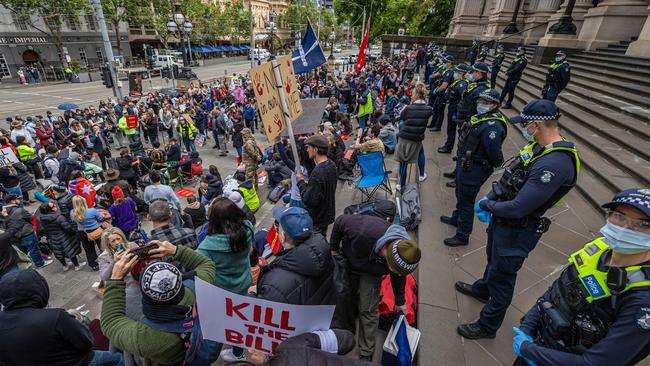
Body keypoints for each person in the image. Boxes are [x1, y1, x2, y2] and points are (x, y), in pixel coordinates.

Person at [457, 99, 581, 339]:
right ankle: (483, 288)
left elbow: (518, 208)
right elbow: (512, 175)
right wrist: (492, 198)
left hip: (517, 228)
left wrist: (488, 204)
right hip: (502, 220)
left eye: (526, 124)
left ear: (536, 125)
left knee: (503, 276)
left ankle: (487, 325)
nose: (523, 129)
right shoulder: (539, 147)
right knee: (493, 260)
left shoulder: (555, 163)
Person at [510, 188, 650, 366]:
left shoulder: (643, 298)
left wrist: (527, 349)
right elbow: (556, 290)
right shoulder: (597, 248)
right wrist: (528, 328)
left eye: (643, 224)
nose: (625, 228)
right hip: (539, 345)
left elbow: (596, 363)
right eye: (619, 216)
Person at [100, 240, 218, 365]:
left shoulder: (148, 339)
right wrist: (175, 250)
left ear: (144, 295)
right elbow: (206, 264)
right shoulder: (195, 288)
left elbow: (110, 322)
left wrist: (116, 277)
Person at [329, 214, 421, 361]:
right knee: (345, 298)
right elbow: (340, 221)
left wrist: (400, 300)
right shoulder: (363, 231)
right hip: (350, 261)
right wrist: (333, 248)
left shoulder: (404, 252)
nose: (397, 273)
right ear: (387, 252)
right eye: (395, 269)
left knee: (369, 309)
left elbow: (399, 276)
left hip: (372, 273)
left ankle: (366, 351)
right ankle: (345, 329)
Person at [0, 269, 124, 366]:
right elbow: (86, 343)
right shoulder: (55, 317)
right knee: (121, 359)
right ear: (39, 289)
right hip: (78, 362)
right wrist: (75, 323)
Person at [441, 89, 508, 247]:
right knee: (460, 193)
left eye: (485, 103)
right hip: (466, 164)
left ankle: (463, 235)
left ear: (493, 105)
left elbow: (494, 152)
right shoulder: (482, 118)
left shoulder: (493, 125)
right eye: (480, 101)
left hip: (475, 168)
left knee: (466, 200)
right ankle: (457, 219)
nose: (480, 104)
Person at [196, 197, 253, 362]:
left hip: (223, 291)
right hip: (243, 282)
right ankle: (238, 350)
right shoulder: (247, 229)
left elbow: (199, 268)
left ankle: (237, 352)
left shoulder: (206, 247)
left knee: (231, 321)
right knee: (240, 318)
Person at [255, 206, 335, 305]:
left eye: (278, 227)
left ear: (283, 236)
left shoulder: (274, 284)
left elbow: (265, 310)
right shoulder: (324, 250)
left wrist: (251, 293)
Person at [297, 135, 338, 234]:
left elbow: (308, 200)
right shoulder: (332, 164)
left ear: (315, 149)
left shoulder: (318, 172)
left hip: (318, 218)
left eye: (309, 148)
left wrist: (301, 182)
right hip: (328, 213)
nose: (307, 150)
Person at [394, 86, 432, 190]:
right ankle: (421, 174)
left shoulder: (408, 108)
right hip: (417, 138)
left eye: (413, 94)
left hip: (405, 137)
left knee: (403, 162)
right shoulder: (428, 109)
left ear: (418, 95)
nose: (411, 95)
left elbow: (402, 117)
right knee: (420, 153)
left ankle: (401, 185)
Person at [2, 194, 52, 268]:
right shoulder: (19, 210)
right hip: (26, 234)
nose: (19, 200)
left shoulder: (3, 212)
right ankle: (40, 263)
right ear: (12, 201)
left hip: (15, 237)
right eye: (17, 199)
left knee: (23, 252)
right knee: (34, 250)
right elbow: (31, 218)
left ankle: (27, 264)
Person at [38, 201, 85, 271]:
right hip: (64, 237)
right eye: (53, 206)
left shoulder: (42, 219)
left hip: (53, 238)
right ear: (49, 210)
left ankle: (65, 266)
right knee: (70, 251)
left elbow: (44, 229)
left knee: (58, 253)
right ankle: (77, 266)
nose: (55, 206)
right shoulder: (59, 217)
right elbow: (67, 228)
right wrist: (73, 233)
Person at [438, 63, 471, 154]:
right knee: (450, 128)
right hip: (453, 107)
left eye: (457, 71)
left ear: (462, 73)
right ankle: (449, 145)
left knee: (453, 129)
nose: (456, 73)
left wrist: (457, 110)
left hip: (455, 109)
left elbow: (462, 98)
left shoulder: (462, 84)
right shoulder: (458, 82)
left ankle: (451, 147)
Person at [71, 195, 105, 271]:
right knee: (102, 246)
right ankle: (105, 260)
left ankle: (94, 265)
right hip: (96, 230)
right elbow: (101, 218)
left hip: (83, 232)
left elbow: (74, 222)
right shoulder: (92, 210)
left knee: (89, 249)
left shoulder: (73, 213)